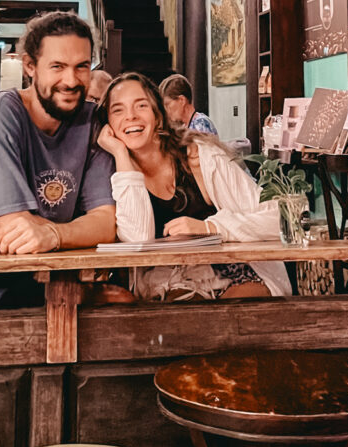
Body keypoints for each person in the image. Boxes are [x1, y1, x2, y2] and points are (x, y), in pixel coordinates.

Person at [0, 11, 116, 310]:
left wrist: (53, 234)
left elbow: (107, 223)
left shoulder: (90, 119)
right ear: (30, 65)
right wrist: (77, 231)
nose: (70, 81)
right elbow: (16, 231)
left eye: (81, 67)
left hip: (59, 298)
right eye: (57, 66)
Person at [97, 73, 291, 301]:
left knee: (219, 317)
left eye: (141, 105)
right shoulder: (114, 169)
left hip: (234, 275)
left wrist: (210, 227)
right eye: (118, 110)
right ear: (108, 125)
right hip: (168, 286)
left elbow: (278, 218)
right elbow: (137, 240)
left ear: (158, 116)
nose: (130, 116)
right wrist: (121, 154)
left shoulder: (201, 156)